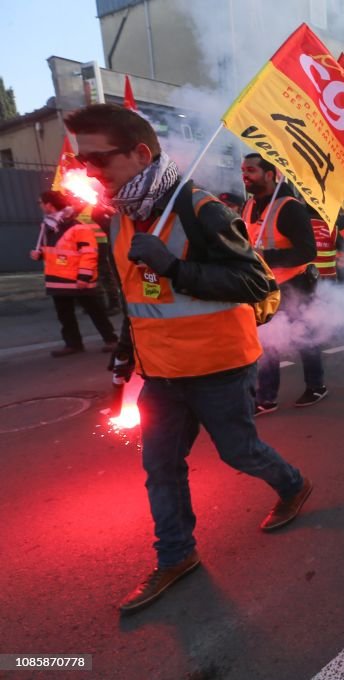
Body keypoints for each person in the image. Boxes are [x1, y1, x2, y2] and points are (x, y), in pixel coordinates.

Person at [65, 103, 313, 614]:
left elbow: (254, 282)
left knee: (239, 453)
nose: (88, 171)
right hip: (161, 373)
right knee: (160, 467)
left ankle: (293, 484)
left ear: (139, 153)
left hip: (220, 366)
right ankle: (176, 555)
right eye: (80, 160)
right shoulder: (119, 219)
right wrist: (125, 353)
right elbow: (140, 300)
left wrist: (175, 266)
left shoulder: (201, 209)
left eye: (98, 158)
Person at [239, 154, 326, 413]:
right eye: (243, 170)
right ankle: (266, 398)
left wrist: (268, 257)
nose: (245, 175)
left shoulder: (290, 207)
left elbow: (308, 251)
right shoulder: (248, 205)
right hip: (262, 287)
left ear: (270, 174)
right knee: (267, 341)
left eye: (251, 170)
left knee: (304, 338)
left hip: (294, 286)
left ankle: (316, 386)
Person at [30, 190, 119, 357]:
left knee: (95, 310)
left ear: (49, 205)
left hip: (77, 279)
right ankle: (73, 344)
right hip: (57, 279)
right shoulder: (48, 226)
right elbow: (55, 250)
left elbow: (89, 252)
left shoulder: (77, 227)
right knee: (65, 314)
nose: (40, 206)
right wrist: (40, 254)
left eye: (40, 202)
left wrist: (84, 276)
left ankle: (111, 339)